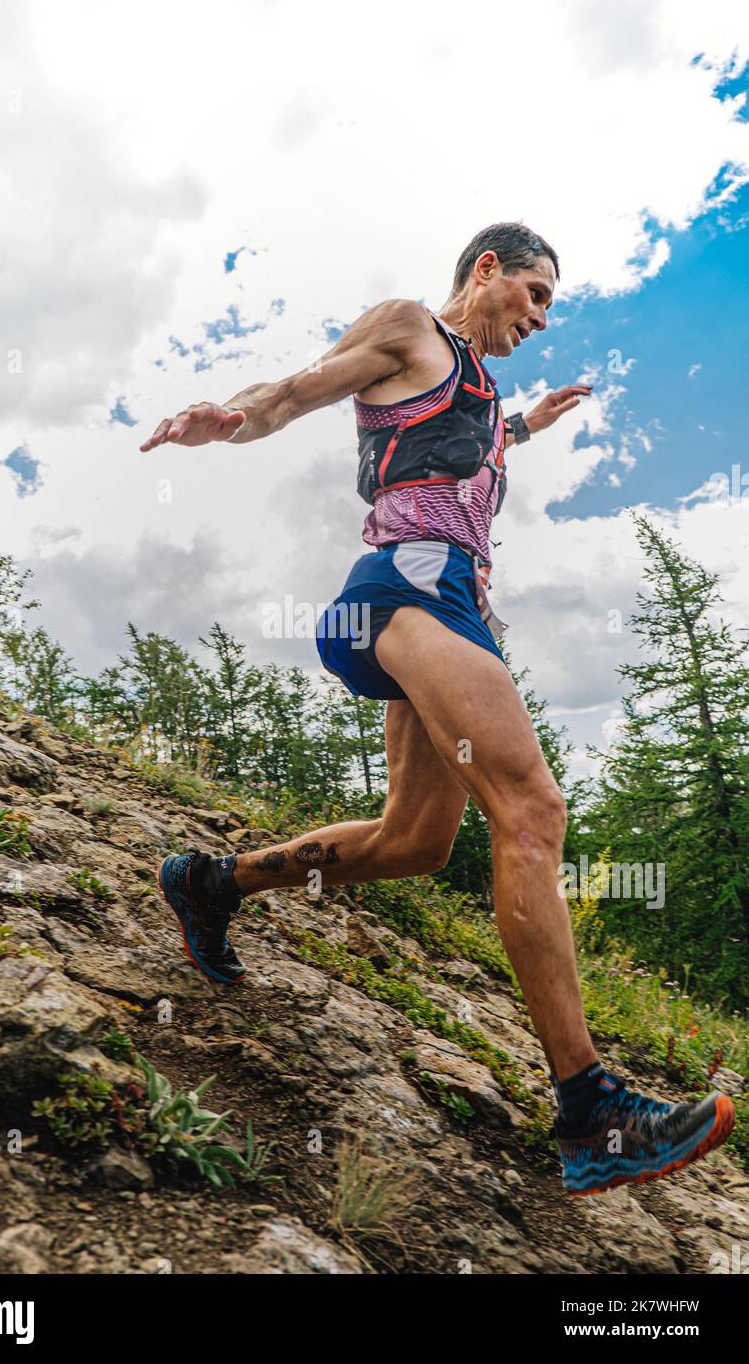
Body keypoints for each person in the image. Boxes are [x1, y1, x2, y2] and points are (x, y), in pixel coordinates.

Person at [140, 222, 735, 1195]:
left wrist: (532, 423)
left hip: (447, 606)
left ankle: (210, 883)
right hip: (401, 592)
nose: (539, 319)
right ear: (486, 270)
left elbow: (476, 441)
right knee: (532, 812)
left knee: (414, 840)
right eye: (534, 295)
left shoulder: (476, 386)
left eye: (551, 308)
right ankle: (588, 1108)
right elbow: (298, 388)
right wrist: (231, 416)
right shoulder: (408, 328)